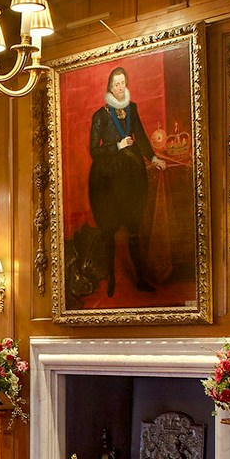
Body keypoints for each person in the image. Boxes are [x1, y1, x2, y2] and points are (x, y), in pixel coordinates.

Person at [87, 66, 168, 296]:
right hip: (107, 180)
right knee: (109, 232)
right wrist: (118, 146)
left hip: (131, 177)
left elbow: (140, 135)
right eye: (115, 84)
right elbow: (94, 151)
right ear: (109, 87)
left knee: (134, 230)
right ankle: (112, 279)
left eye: (122, 83)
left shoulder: (132, 108)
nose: (119, 88)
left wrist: (153, 157)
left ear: (126, 84)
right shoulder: (100, 115)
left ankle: (140, 279)